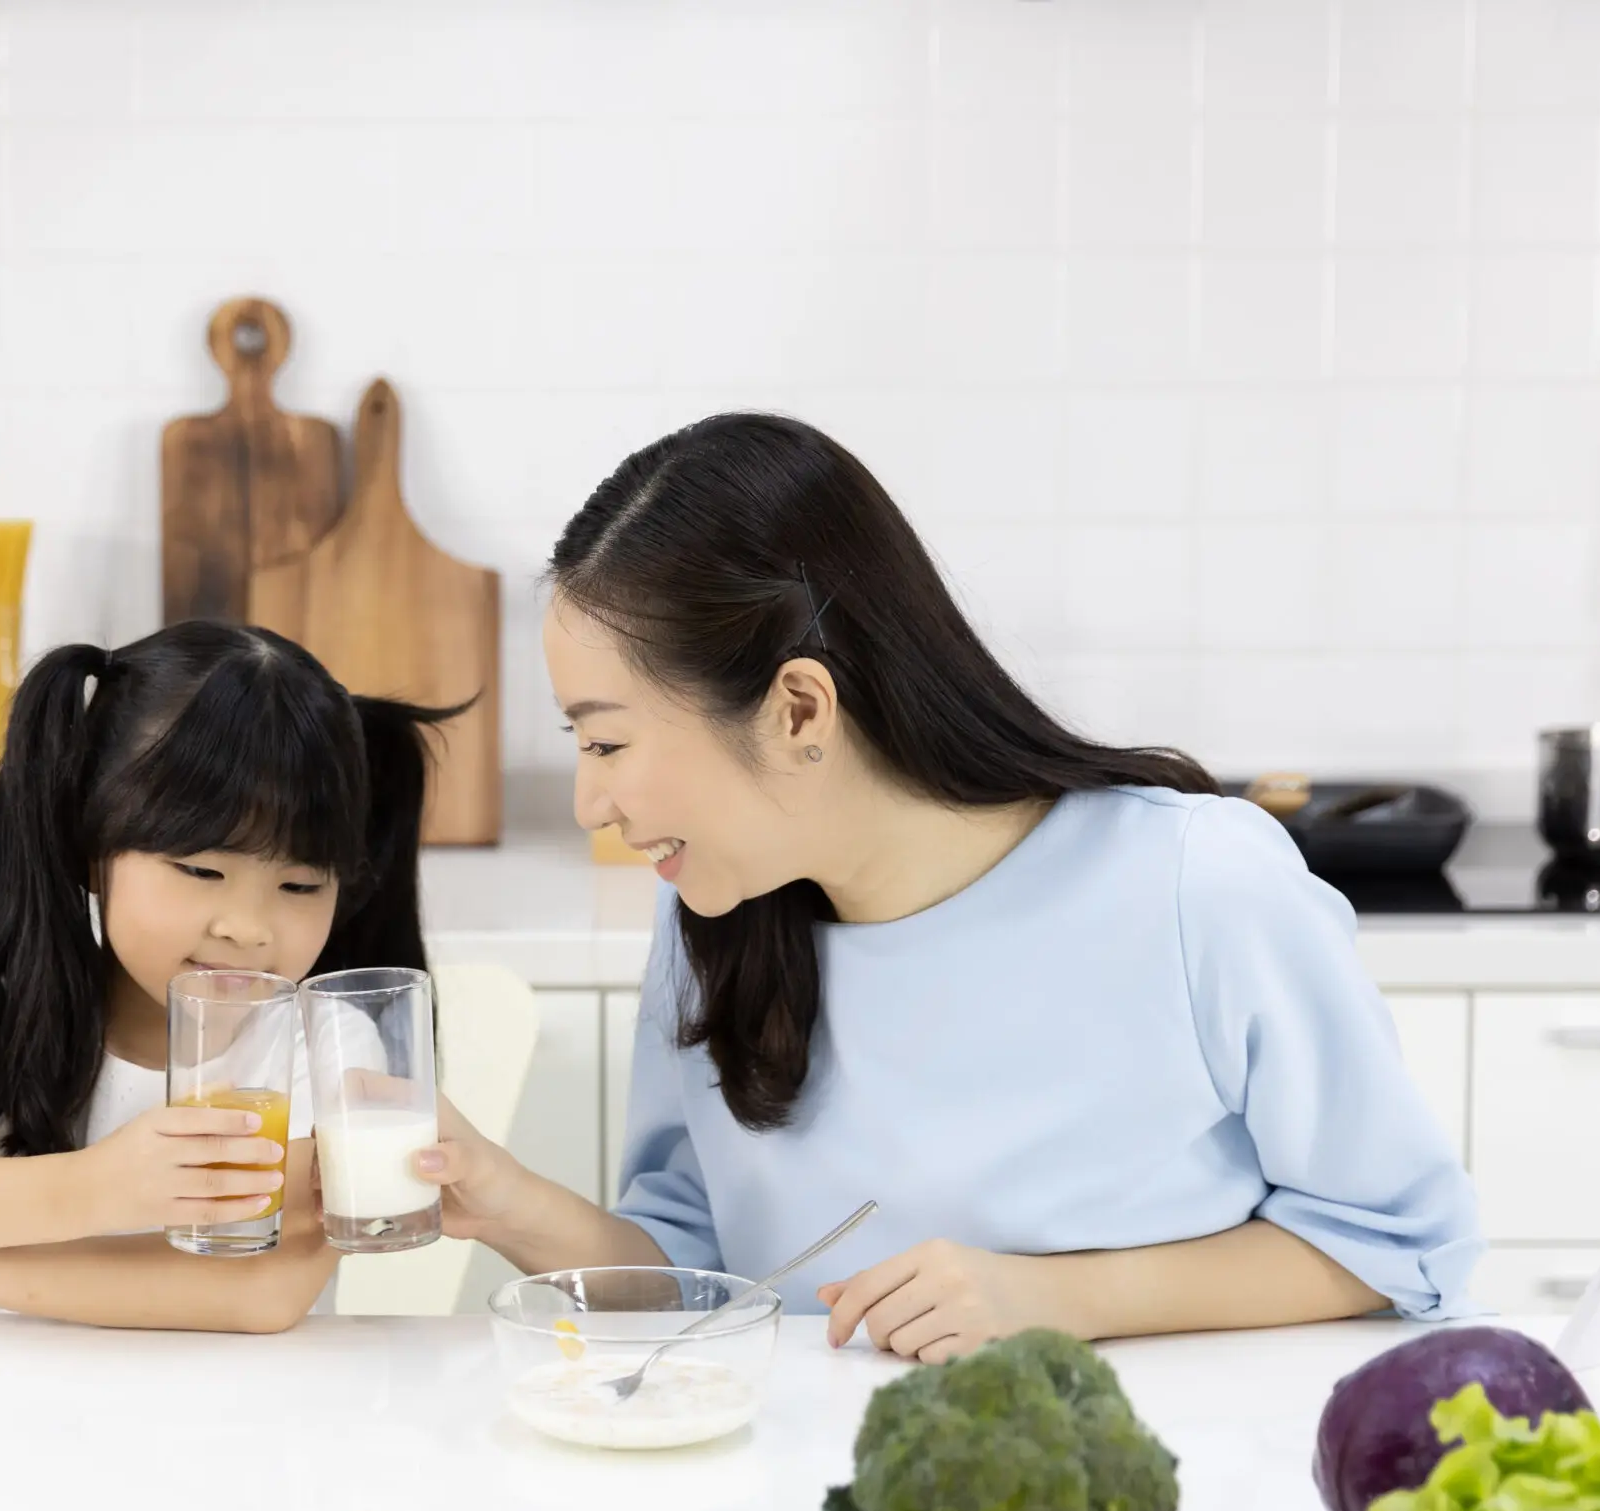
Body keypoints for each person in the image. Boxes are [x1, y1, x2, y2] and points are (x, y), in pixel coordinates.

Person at [417, 414, 1482, 1363]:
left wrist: (1059, 1298)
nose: (587, 802)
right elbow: (693, 1276)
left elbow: (1394, 1244)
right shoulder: (712, 909)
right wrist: (498, 1197)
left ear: (798, 710)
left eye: (605, 741)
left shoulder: (1196, 884)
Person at [0, 622, 449, 1331]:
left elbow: (258, 1292)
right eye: (201, 870)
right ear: (92, 846)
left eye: (300, 885)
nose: (249, 926)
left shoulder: (327, 1046)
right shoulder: (0, 1009)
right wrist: (102, 1185)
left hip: (233, 1427)